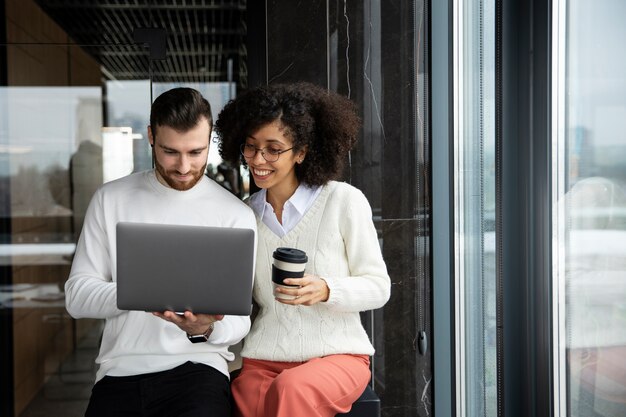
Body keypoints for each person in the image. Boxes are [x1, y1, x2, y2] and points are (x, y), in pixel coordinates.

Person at [65, 87, 257, 417]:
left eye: (196, 152)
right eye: (171, 152)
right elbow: (77, 297)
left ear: (210, 139)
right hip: (120, 370)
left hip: (199, 368)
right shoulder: (111, 199)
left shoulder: (235, 214)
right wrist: (142, 292)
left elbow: (239, 320)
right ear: (151, 136)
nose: (184, 166)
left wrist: (204, 329)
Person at [215, 82, 391, 417]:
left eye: (273, 149)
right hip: (263, 358)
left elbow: (379, 287)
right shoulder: (244, 213)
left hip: (337, 355)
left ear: (301, 151)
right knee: (243, 395)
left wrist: (327, 289)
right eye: (250, 148)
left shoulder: (342, 201)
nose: (258, 160)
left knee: (291, 390)